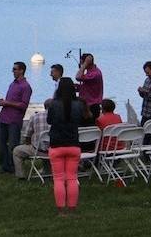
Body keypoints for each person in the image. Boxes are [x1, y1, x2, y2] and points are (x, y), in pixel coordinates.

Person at [47, 77, 86, 215]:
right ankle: (72, 208)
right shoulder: (78, 105)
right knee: (72, 178)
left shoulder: (53, 104)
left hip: (57, 144)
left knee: (58, 178)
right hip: (73, 144)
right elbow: (81, 120)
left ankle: (61, 210)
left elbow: (50, 120)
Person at [0, 61, 32, 174]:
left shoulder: (26, 87)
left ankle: (14, 167)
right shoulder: (13, 84)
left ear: (21, 70)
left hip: (14, 120)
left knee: (13, 145)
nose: (13, 71)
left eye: (15, 69)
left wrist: (7, 103)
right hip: (4, 117)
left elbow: (23, 105)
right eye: (13, 69)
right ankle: (5, 166)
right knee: (1, 143)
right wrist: (4, 103)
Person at [12, 99, 51, 180]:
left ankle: (21, 175)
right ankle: (47, 170)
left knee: (17, 151)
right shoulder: (60, 117)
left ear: (44, 107)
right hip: (55, 149)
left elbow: (27, 135)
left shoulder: (35, 116)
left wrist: (28, 143)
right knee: (47, 144)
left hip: (38, 150)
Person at [75, 53, 103, 119]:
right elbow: (90, 86)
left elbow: (78, 77)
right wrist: (78, 87)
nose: (81, 65)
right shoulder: (90, 72)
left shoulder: (94, 73)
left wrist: (84, 65)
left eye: (82, 63)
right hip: (87, 105)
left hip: (91, 106)